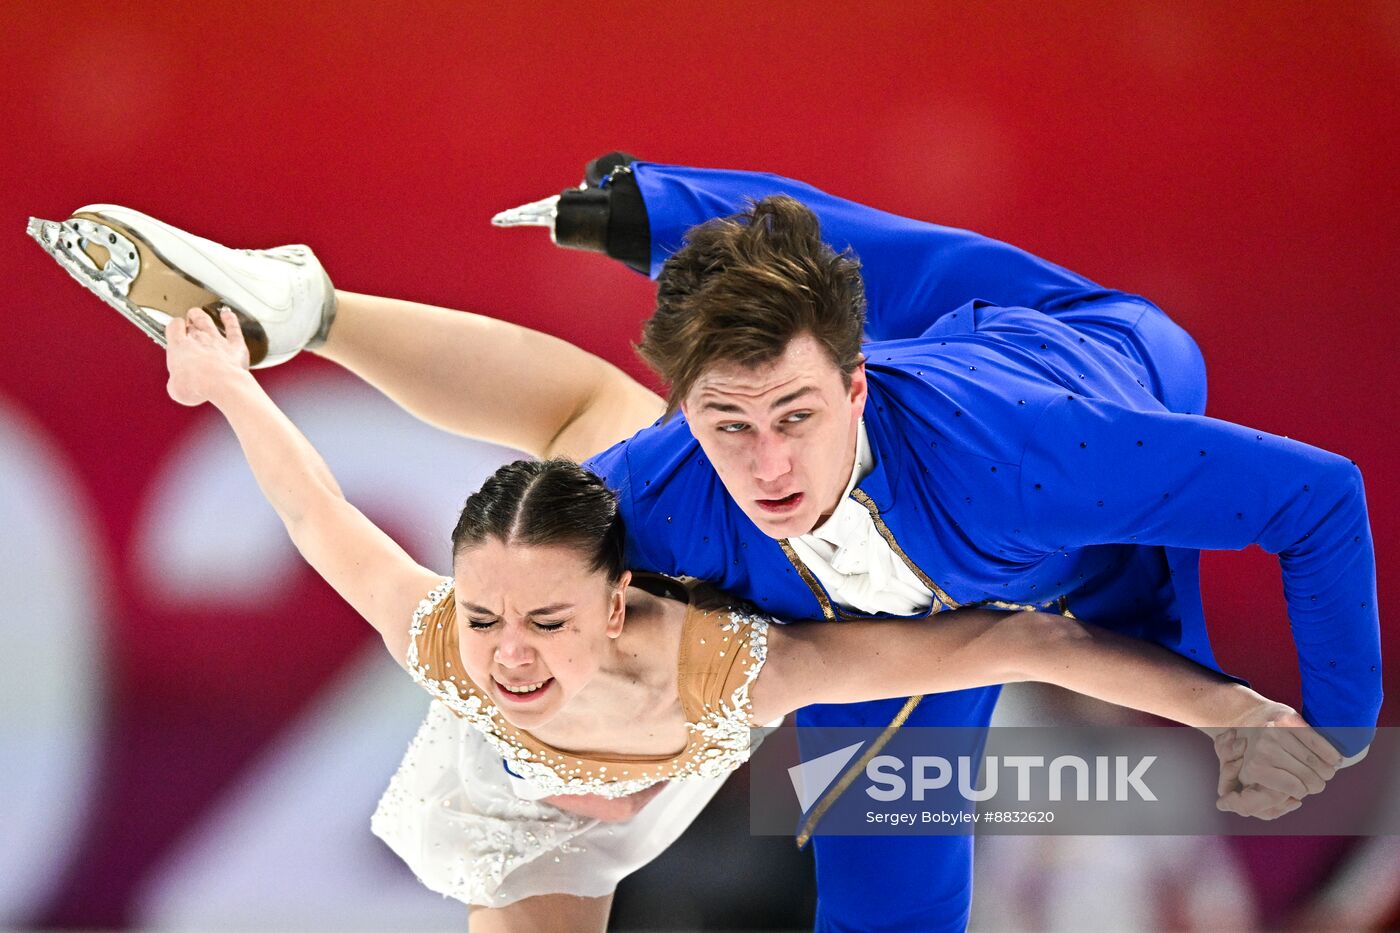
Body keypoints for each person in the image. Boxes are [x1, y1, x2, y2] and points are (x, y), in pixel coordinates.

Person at [29, 164, 1378, 931]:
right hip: (537, 816)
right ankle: (307, 300)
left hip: (1051, 398)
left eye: (535, 629)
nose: (503, 658)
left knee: (652, 401)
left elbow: (1061, 614)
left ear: (619, 610)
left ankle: (326, 295)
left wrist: (1293, 718)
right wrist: (242, 374)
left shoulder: (741, 650)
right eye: (490, 628)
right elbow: (324, 519)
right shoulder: (558, 587)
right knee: (616, 429)